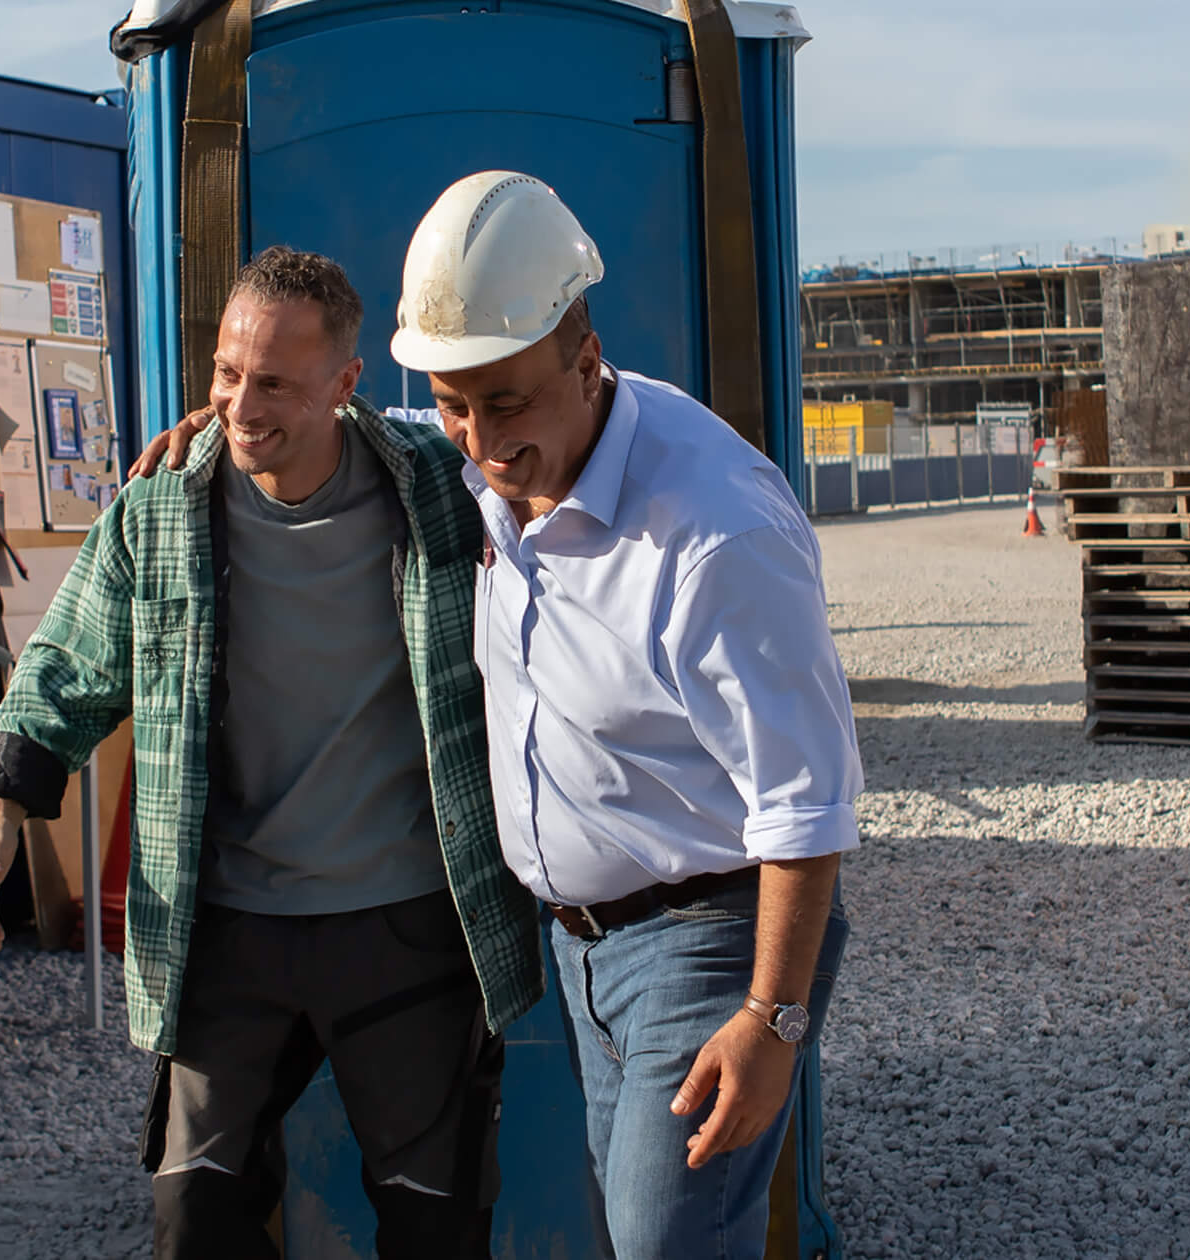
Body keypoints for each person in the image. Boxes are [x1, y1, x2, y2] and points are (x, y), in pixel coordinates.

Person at [131, 172, 860, 1259]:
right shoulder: (482, 463)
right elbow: (358, 432)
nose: (477, 439)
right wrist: (237, 418)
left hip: (708, 940)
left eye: (504, 403)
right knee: (637, 1232)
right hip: (580, 950)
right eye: (454, 403)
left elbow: (809, 804)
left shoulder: (711, 535)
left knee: (667, 1243)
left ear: (583, 355)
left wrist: (771, 1020)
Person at [0, 245, 544, 1260]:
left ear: (345, 383)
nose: (238, 404)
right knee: (193, 1220)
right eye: (226, 375)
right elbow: (66, 664)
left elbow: (565, 435)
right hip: (226, 927)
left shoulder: (442, 498)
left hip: (403, 923)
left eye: (273, 381)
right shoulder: (161, 512)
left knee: (434, 1222)